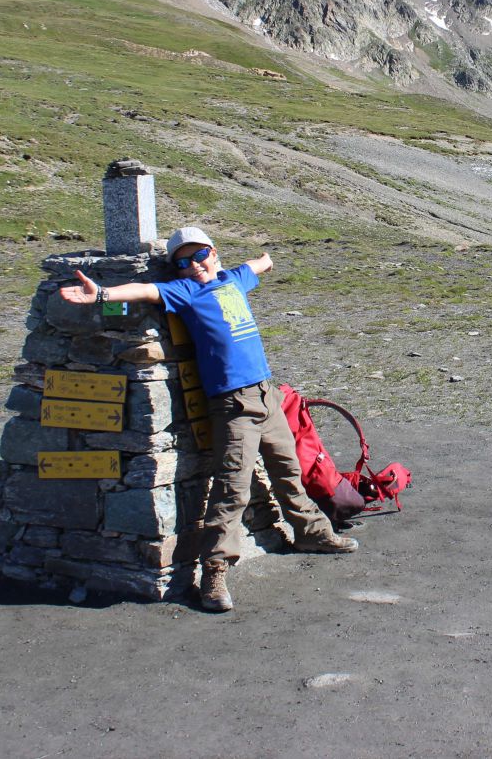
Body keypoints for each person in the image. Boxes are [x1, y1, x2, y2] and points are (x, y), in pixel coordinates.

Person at [61, 225, 356, 613]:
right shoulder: (184, 292)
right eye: (183, 261)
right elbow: (146, 291)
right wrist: (101, 293)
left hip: (265, 394)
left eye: (200, 255)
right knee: (232, 488)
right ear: (178, 270)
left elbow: (257, 264)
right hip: (233, 403)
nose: (194, 265)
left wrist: (267, 260)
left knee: (288, 469)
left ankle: (312, 532)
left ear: (214, 254)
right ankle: (214, 571)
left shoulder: (233, 279)